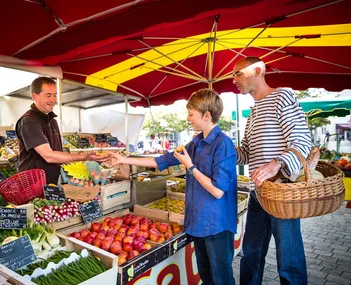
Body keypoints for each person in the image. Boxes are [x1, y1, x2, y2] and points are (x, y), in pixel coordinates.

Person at [106, 89, 237, 285]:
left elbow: (217, 191)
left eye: (191, 114)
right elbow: (164, 160)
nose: (188, 118)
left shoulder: (223, 144)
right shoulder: (195, 143)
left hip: (216, 225)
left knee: (222, 279)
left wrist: (190, 167)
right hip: (199, 222)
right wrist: (122, 159)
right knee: (206, 276)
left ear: (207, 115)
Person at [233, 56, 312, 285]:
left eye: (238, 73)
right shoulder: (253, 112)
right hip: (259, 194)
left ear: (257, 71)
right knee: (250, 254)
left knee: (289, 261)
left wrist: (275, 163)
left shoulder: (282, 96)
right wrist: (224, 149)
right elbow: (247, 153)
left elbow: (302, 142)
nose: (234, 80)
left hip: (283, 194)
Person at [16, 77, 101, 184]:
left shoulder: (52, 121)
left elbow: (57, 150)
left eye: (55, 95)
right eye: (48, 95)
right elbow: (48, 156)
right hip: (34, 185)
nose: (53, 100)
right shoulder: (29, 122)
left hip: (52, 182)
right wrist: (82, 156)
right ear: (35, 96)